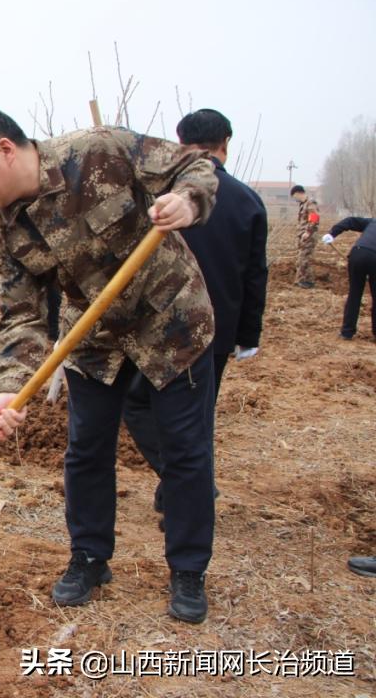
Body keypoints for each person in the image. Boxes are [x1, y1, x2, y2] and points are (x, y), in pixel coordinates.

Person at [0, 101, 219, 624]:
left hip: (171, 324)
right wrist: (9, 386)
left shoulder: (99, 151)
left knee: (184, 451)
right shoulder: (2, 230)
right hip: (92, 339)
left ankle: (187, 569)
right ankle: (90, 558)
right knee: (86, 451)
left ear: (3, 149)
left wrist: (188, 200)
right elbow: (20, 313)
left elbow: (192, 164)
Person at [123, 109, 268, 514]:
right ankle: (186, 483)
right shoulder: (247, 201)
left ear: (181, 144)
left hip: (157, 324)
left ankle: (184, 490)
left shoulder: (161, 197)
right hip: (217, 329)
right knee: (196, 418)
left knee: (137, 404)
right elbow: (256, 274)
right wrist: (248, 335)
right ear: (226, 144)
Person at [322, 215, 376, 340]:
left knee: (354, 294)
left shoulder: (372, 222)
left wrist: (332, 234)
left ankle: (347, 332)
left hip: (357, 253)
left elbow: (350, 221)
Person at [291, 184, 320, 288]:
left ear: (298, 193)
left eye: (294, 196)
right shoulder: (303, 204)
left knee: (304, 258)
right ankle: (304, 280)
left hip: (309, 236)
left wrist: (308, 232)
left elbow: (314, 218)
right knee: (302, 258)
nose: (295, 199)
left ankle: (305, 281)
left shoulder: (310, 203)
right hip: (303, 236)